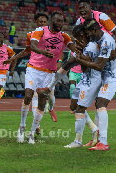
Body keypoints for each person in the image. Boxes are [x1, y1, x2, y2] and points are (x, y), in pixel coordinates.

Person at [19, 11, 75, 144]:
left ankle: (31, 134)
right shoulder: (40, 31)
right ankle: (22, 128)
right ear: (52, 21)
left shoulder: (64, 36)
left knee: (41, 103)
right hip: (33, 68)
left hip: (49, 73)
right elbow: (32, 46)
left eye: (62, 21)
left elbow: (74, 47)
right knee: (28, 96)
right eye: (57, 21)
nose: (60, 23)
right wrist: (43, 52)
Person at [3, 13, 59, 132]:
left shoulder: (53, 36)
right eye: (40, 22)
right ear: (36, 22)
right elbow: (26, 51)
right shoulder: (31, 35)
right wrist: (13, 59)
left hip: (49, 71)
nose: (42, 24)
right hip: (34, 70)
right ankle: (29, 126)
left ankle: (51, 109)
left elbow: (60, 51)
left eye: (45, 22)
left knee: (51, 98)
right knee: (31, 97)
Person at [74, 18, 116, 151]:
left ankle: (104, 143)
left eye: (89, 33)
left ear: (95, 30)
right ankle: (96, 140)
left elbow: (100, 66)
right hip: (105, 76)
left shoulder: (106, 41)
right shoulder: (97, 41)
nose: (88, 36)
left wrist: (81, 60)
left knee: (101, 103)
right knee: (98, 104)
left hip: (113, 76)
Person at [0, 33, 17, 120]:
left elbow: (14, 58)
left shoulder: (8, 48)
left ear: (3, 39)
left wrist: (12, 70)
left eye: (1, 37)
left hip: (2, 72)